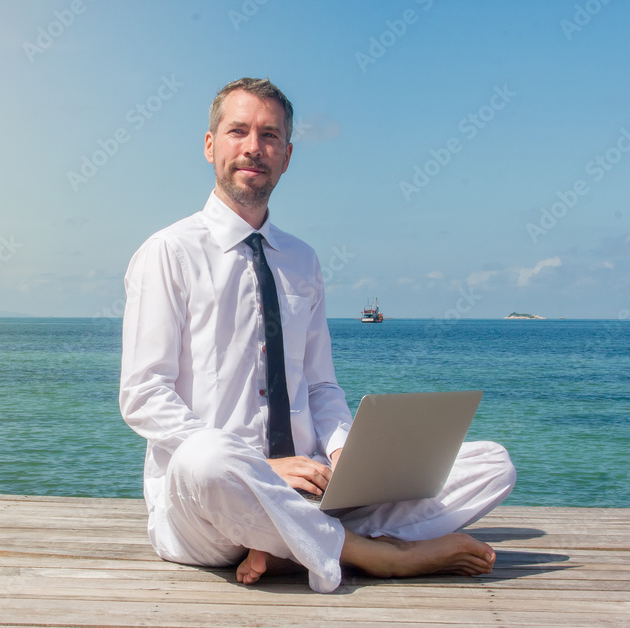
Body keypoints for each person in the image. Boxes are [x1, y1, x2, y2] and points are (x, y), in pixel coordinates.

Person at [119, 77, 516, 593]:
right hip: (206, 505)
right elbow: (143, 395)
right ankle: (375, 554)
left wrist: (343, 453)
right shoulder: (168, 252)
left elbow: (321, 386)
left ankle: (289, 544)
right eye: (238, 131)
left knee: (491, 464)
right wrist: (261, 470)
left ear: (286, 155)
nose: (253, 147)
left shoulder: (302, 260)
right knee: (206, 458)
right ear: (210, 144)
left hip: (312, 489)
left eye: (269, 136)